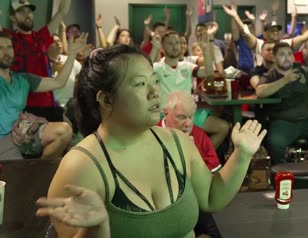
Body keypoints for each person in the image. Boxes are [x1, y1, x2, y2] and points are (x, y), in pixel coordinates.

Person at [35, 44, 266, 238]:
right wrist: (94, 229)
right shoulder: (82, 166)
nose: (155, 92)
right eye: (139, 84)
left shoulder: (178, 142)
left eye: (154, 81)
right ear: (106, 99)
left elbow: (211, 197)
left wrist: (242, 154)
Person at [0, 31, 87, 160]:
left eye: (9, 47)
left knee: (64, 131)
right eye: (0, 48)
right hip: (4, 141)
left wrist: (72, 54)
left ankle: (40, 167)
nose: (6, 52)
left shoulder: (23, 79)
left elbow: (59, 82)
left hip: (24, 131)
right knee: (18, 177)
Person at [255, 42, 308, 167]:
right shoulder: (270, 75)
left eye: (290, 54)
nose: (287, 57)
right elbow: (260, 92)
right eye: (282, 54)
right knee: (275, 143)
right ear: (274, 58)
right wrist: (285, 80)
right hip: (283, 122)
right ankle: (283, 175)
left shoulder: (303, 71)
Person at [1, 0, 75, 113]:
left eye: (29, 11)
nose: (27, 14)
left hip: (48, 102)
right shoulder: (8, 38)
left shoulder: (41, 37)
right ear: (12, 18)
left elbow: (61, 12)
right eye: (21, 12)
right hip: (23, 107)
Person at [159, 91, 223, 237]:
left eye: (191, 117)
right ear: (166, 113)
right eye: (181, 117)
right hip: (160, 205)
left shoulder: (199, 136)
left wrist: (193, 156)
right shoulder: (150, 133)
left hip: (194, 202)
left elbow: (213, 178)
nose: (188, 123)